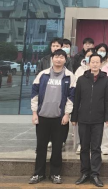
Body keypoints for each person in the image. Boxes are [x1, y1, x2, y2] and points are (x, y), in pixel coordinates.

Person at [29, 49, 75, 185]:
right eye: (56, 57)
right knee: (41, 146)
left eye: (61, 57)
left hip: (59, 118)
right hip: (42, 116)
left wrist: (67, 114)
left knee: (57, 147)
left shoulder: (70, 76)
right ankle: (38, 173)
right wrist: (34, 113)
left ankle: (55, 173)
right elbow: (34, 94)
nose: (58, 59)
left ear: (65, 60)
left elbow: (71, 97)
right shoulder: (43, 75)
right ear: (52, 59)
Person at [72, 54, 108, 188]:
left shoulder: (106, 80)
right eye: (92, 62)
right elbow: (77, 99)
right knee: (84, 147)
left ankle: (95, 174)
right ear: (89, 63)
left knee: (96, 147)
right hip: (83, 119)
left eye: (97, 62)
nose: (94, 64)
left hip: (98, 119)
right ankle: (84, 173)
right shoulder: (81, 79)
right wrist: (74, 117)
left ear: (101, 64)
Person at [36, 38, 72, 150]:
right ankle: (45, 142)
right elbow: (38, 74)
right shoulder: (44, 60)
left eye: (57, 46)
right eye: (53, 46)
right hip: (46, 94)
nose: (55, 48)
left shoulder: (67, 60)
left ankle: (61, 141)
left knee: (62, 121)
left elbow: (70, 75)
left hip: (61, 93)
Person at [73, 48, 95, 155]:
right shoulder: (80, 70)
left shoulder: (99, 70)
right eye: (88, 55)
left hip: (94, 103)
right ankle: (80, 144)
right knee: (81, 127)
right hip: (82, 102)